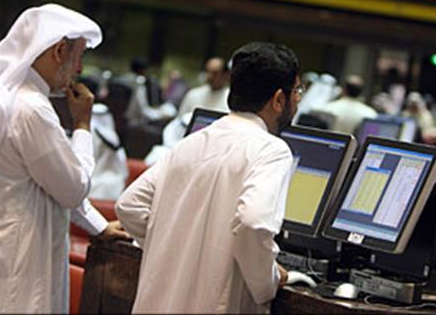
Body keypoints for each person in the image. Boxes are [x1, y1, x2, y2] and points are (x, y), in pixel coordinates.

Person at [116, 42, 302, 313]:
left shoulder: (192, 141)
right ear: (278, 100)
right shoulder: (271, 150)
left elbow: (129, 205)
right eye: (297, 91)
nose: (298, 100)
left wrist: (174, 246)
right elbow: (252, 223)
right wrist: (267, 281)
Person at [0, 4, 130, 313]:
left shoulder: (12, 97)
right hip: (22, 260)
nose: (80, 70)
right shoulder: (33, 109)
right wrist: (82, 124)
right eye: (79, 56)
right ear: (59, 51)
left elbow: (52, 184)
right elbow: (73, 189)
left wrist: (98, 226)